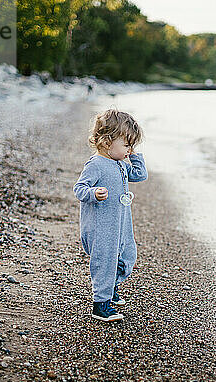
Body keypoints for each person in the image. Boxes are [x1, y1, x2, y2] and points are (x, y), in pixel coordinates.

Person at [73, 110, 147, 322]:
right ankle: (101, 304)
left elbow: (140, 175)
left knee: (127, 258)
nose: (129, 150)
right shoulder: (95, 165)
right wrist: (93, 194)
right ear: (106, 142)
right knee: (104, 262)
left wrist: (133, 154)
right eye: (126, 145)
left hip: (121, 225)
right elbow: (79, 189)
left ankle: (111, 285)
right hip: (101, 227)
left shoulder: (121, 162)